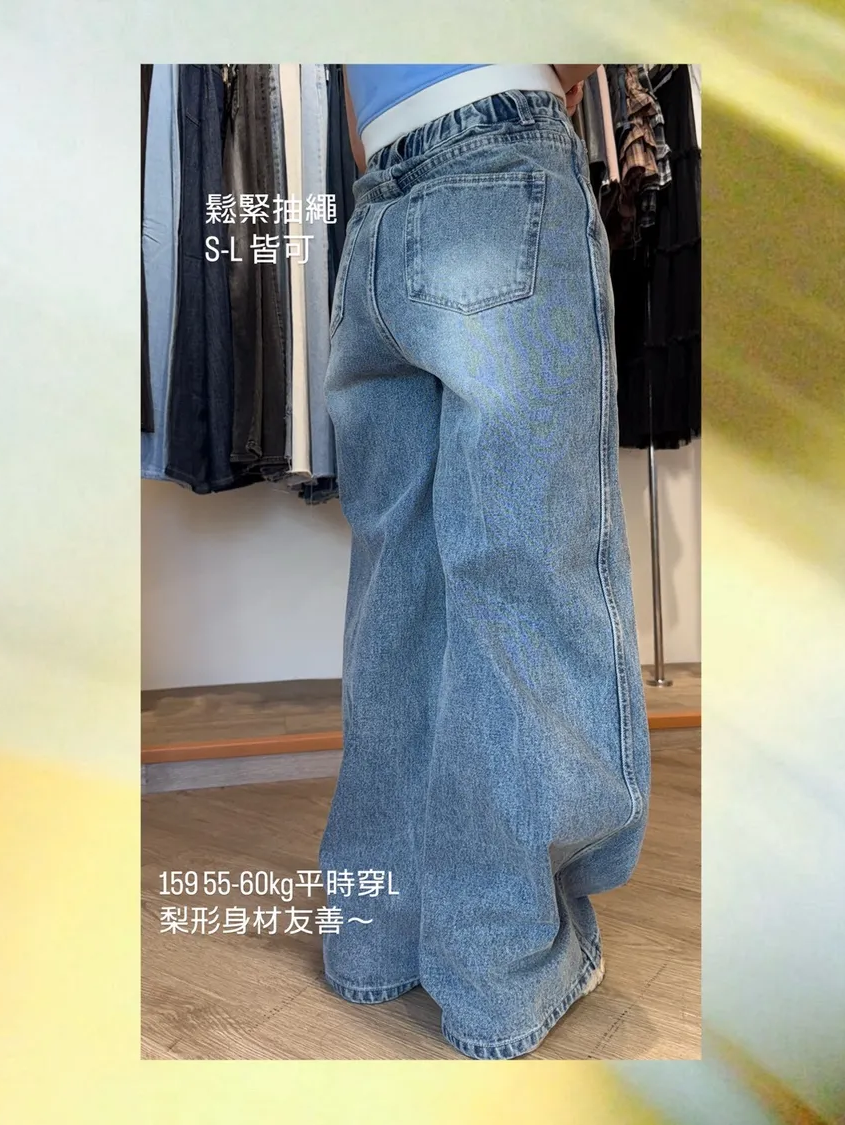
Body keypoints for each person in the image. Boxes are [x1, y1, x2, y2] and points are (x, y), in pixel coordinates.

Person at [319, 64, 651, 1061]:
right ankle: (501, 972)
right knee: (522, 580)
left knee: (396, 593)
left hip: (377, 205)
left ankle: (370, 937)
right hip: (502, 160)